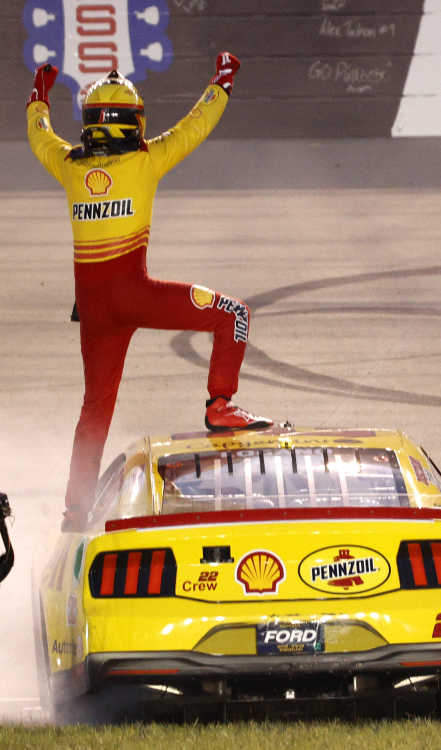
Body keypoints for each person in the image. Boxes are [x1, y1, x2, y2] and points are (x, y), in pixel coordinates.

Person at [27, 54, 272, 532]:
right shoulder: (147, 158)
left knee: (94, 410)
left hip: (95, 315)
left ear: (91, 123)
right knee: (233, 314)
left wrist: (39, 88)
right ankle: (220, 406)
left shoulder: (69, 166)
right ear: (133, 122)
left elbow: (39, 133)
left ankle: (75, 512)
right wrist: (222, 79)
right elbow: (196, 125)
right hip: (136, 294)